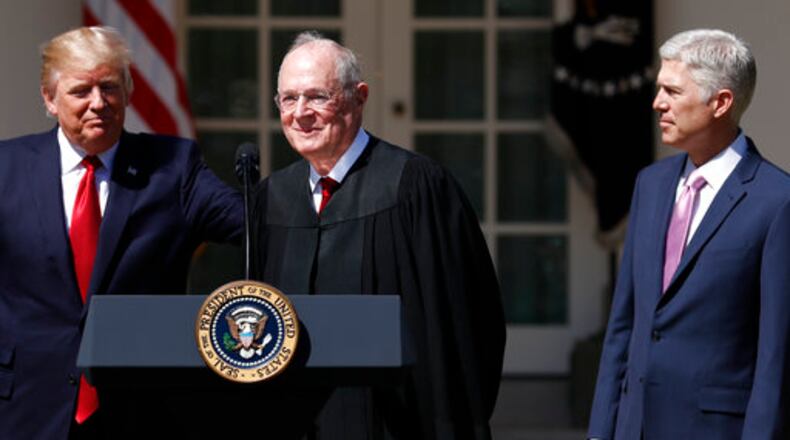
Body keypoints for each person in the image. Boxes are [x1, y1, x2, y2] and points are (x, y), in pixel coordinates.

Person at [250, 31, 506, 439]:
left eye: (317, 96)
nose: (300, 113)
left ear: (359, 97)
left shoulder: (415, 187)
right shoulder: (271, 198)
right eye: (288, 98)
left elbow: (470, 319)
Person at [0, 27, 242, 439]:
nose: (99, 103)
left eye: (109, 87)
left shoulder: (173, 167)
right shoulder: (7, 168)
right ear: (49, 98)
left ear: (128, 91)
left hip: (140, 408)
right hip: (25, 406)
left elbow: (253, 225)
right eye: (81, 91)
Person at [588, 29, 790, 440]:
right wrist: (600, 431)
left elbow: (777, 355)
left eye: (672, 91)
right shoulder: (650, 184)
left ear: (721, 103)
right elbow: (623, 326)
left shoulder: (778, 202)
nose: (657, 102)